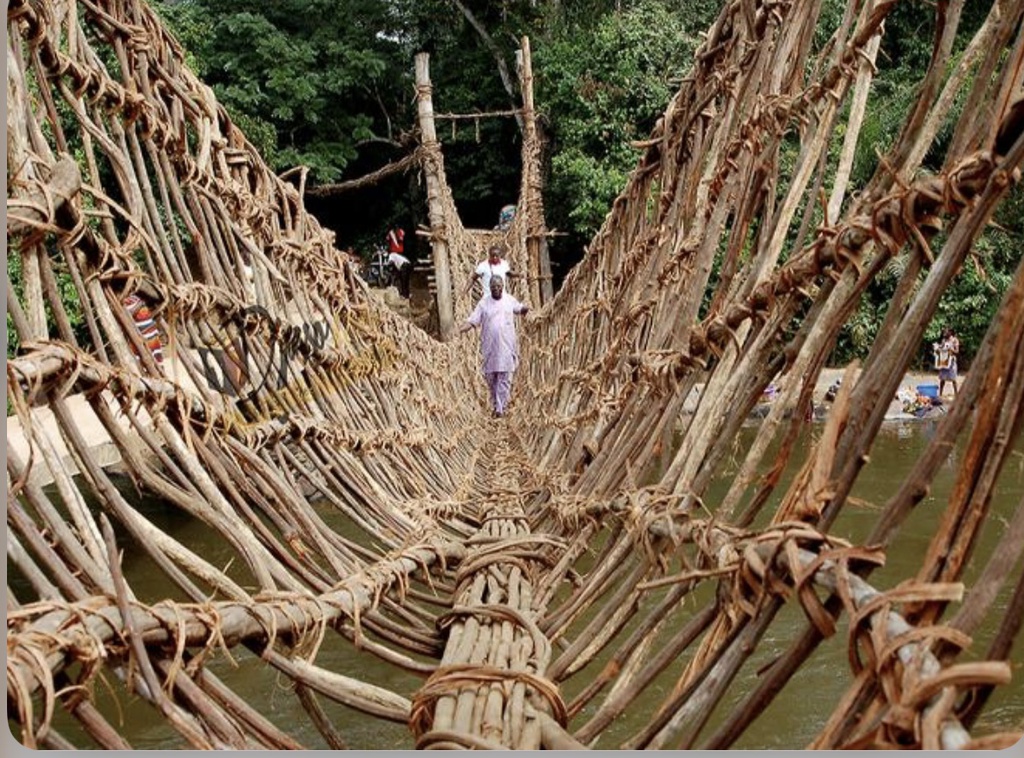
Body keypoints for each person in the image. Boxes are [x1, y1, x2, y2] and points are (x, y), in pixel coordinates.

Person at [458, 275, 530, 417]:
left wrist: (528, 310)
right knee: (491, 377)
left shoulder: (509, 300)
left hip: (506, 345)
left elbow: (520, 309)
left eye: (498, 286)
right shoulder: (484, 303)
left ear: (503, 286)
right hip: (490, 346)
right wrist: (460, 329)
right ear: (489, 288)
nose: (496, 289)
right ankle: (496, 403)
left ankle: (499, 409)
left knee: (504, 376)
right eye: (493, 287)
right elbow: (473, 320)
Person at [933, 327, 959, 397]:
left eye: (946, 332)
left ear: (950, 332)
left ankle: (956, 394)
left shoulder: (954, 340)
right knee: (942, 378)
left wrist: (951, 349)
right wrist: (937, 348)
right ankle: (940, 394)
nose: (944, 334)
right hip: (944, 361)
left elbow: (957, 351)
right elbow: (941, 348)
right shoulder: (944, 340)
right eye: (944, 332)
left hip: (951, 361)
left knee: (953, 378)